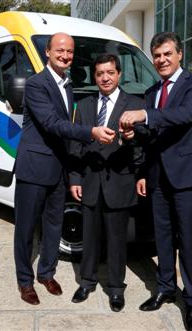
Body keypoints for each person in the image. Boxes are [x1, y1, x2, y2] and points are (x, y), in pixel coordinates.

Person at [119, 32, 192, 331]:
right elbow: (151, 138)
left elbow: (183, 116)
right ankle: (165, 288)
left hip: (187, 176)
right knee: (162, 238)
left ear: (179, 54)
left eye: (167, 54)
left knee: (188, 240)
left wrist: (144, 115)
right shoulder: (151, 92)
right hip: (158, 176)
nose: (161, 60)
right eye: (157, 55)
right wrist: (137, 140)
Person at [14, 32, 103, 305]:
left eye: (70, 52)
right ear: (48, 53)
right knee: (27, 228)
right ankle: (25, 281)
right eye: (60, 51)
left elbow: (63, 127)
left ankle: (46, 273)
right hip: (34, 167)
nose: (65, 56)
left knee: (53, 225)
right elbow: (53, 124)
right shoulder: (36, 84)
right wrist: (91, 131)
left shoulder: (68, 85)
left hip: (58, 168)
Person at [68, 53, 146, 312]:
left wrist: (131, 139)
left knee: (116, 240)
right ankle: (86, 282)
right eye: (100, 73)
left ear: (119, 74)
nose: (105, 77)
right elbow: (76, 146)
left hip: (119, 183)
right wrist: (75, 178)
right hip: (89, 183)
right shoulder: (85, 105)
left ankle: (115, 288)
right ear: (95, 76)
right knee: (89, 238)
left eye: (110, 72)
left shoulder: (134, 104)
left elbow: (144, 146)